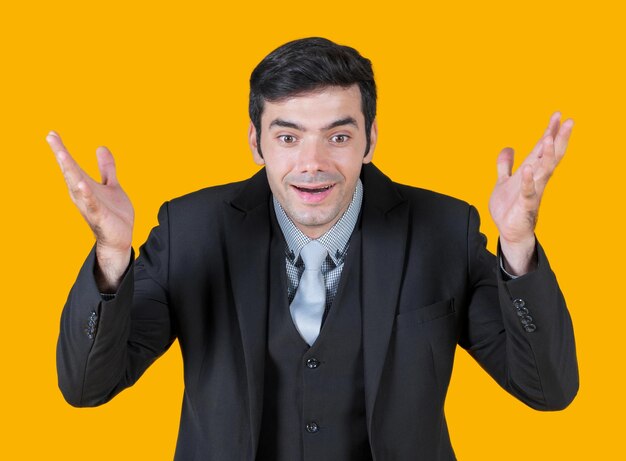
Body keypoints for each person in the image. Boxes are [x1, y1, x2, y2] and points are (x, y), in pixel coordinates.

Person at [49, 37, 578, 460]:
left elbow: (547, 390)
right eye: (288, 137)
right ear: (255, 142)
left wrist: (518, 246)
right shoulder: (192, 230)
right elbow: (87, 387)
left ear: (370, 140)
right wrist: (112, 257)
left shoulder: (443, 230)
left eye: (338, 137)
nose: (313, 162)